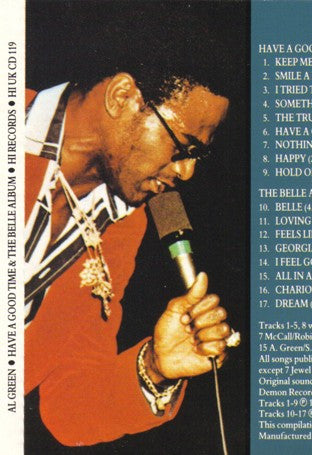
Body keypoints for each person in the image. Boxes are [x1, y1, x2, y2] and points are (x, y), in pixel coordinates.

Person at [23, 3, 245, 447]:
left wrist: (156, 367)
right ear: (122, 96)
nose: (186, 173)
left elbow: (68, 410)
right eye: (183, 147)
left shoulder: (122, 225)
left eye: (197, 157)